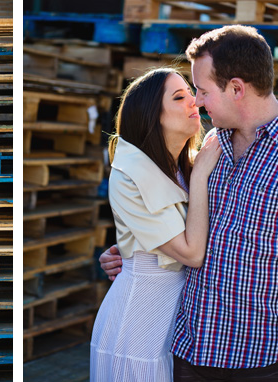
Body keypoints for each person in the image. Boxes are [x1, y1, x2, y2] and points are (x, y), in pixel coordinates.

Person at [99, 25, 278, 380]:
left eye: (201, 90)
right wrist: (131, 249)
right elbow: (177, 218)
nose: (196, 101)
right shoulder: (211, 145)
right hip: (186, 348)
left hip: (255, 358)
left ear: (237, 89)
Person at [89, 68, 221, 381]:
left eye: (192, 94)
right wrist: (201, 173)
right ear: (152, 115)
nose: (194, 103)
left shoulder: (184, 167)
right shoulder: (130, 173)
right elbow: (191, 254)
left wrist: (127, 246)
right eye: (180, 97)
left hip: (173, 324)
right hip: (137, 328)